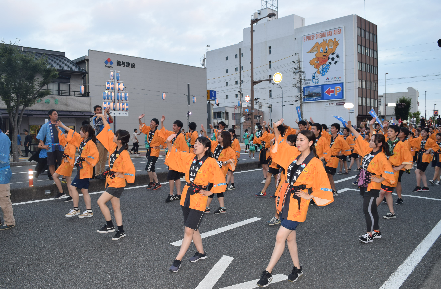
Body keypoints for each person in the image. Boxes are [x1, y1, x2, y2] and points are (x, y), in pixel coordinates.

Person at [257, 119, 333, 287]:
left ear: (310, 143)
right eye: (297, 139)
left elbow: (324, 185)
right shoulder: (293, 154)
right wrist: (276, 128)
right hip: (286, 199)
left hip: (298, 205)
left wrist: (310, 195)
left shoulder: (315, 163)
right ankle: (297, 268)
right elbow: (281, 145)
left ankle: (267, 272)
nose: (298, 142)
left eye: (302, 140)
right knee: (290, 239)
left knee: (280, 236)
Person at [165, 134, 227, 273]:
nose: (195, 145)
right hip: (187, 196)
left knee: (188, 230)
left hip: (199, 199)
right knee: (193, 228)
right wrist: (169, 142)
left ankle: (177, 260)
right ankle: (201, 253)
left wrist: (209, 192)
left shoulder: (211, 162)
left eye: (199, 144)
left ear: (205, 148)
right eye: (195, 143)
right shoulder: (189, 157)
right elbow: (175, 155)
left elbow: (220, 179)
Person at [347, 120, 395, 243]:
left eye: (373, 140)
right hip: (365, 181)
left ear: (379, 144)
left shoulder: (381, 156)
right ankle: (377, 231)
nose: (370, 141)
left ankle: (370, 234)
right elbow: (360, 138)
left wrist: (380, 178)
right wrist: (350, 128)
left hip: (372, 185)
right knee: (372, 208)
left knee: (367, 209)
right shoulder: (369, 151)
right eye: (371, 139)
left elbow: (389, 170)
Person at [95, 114, 135, 240]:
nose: (113, 136)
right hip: (112, 181)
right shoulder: (114, 148)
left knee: (100, 201)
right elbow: (108, 130)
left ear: (119, 140)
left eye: (115, 135)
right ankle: (121, 230)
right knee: (116, 208)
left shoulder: (124, 153)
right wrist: (103, 117)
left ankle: (109, 225)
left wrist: (123, 174)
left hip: (117, 183)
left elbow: (131, 169)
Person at [59, 123, 99, 218]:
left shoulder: (90, 143)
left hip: (85, 170)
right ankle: (88, 211)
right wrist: (62, 126)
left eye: (82, 131)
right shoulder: (82, 141)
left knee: (73, 187)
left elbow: (95, 156)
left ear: (87, 133)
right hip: (82, 169)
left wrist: (85, 159)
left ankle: (76, 209)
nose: (80, 132)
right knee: (84, 190)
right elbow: (72, 132)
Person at [376, 124, 412, 219]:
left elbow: (408, 157)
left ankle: (371, 209)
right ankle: (392, 212)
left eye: (391, 131)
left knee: (382, 192)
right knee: (387, 193)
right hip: (385, 170)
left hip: (393, 171)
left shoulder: (401, 144)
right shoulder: (387, 143)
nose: (389, 132)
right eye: (388, 131)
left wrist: (399, 167)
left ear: (396, 133)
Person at [203, 129, 236, 214]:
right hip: (213, 171)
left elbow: (233, 159)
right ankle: (221, 207)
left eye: (221, 136)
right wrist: (205, 132)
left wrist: (226, 162)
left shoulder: (229, 150)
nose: (218, 137)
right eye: (219, 135)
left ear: (225, 138)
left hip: (220, 172)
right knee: (217, 189)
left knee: (212, 188)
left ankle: (207, 207)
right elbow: (208, 141)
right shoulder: (216, 145)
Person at [158, 116, 188, 202]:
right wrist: (162, 122)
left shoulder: (181, 137)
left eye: (174, 126)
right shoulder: (173, 134)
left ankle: (171, 194)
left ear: (179, 127)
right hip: (173, 159)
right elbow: (164, 132)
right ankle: (179, 194)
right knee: (177, 177)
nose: (173, 127)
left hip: (176, 160)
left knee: (170, 177)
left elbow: (185, 150)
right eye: (173, 125)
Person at [36, 109, 66, 198]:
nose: (56, 115)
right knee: (51, 164)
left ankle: (63, 177)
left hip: (60, 146)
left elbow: (65, 133)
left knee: (62, 163)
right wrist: (43, 145)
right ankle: (55, 178)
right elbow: (40, 136)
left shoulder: (60, 124)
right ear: (50, 116)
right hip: (50, 147)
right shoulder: (45, 126)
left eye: (57, 113)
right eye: (54, 114)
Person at [51, 125, 77, 203]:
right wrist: (57, 128)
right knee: (68, 180)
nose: (65, 134)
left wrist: (67, 159)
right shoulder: (68, 142)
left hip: (67, 163)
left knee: (55, 176)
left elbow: (72, 154)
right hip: (67, 163)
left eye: (67, 133)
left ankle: (61, 192)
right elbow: (61, 135)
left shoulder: (71, 144)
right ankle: (71, 195)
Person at [325, 123, 351, 196]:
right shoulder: (329, 137)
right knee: (328, 176)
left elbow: (347, 149)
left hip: (334, 159)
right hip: (327, 158)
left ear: (337, 130)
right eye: (331, 128)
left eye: (333, 128)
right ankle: (333, 190)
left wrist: (341, 154)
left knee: (328, 175)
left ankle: (332, 190)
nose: (331, 129)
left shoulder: (340, 138)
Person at [139, 114, 164, 190]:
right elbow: (142, 125)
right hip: (149, 151)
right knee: (152, 168)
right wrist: (139, 119)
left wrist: (160, 147)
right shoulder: (148, 130)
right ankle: (154, 182)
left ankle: (155, 182)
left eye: (152, 122)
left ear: (156, 125)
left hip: (154, 152)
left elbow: (163, 140)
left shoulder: (158, 132)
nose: (151, 123)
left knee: (148, 168)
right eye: (151, 122)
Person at [409, 127, 438, 192]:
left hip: (426, 157)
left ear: (427, 133)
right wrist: (410, 136)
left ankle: (418, 186)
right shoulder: (420, 139)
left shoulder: (430, 140)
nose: (422, 133)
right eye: (422, 131)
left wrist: (430, 149)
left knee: (417, 171)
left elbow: (436, 146)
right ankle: (425, 187)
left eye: (424, 132)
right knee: (422, 172)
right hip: (420, 156)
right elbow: (411, 142)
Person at [0, 117, 15, 230]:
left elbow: (3, 158)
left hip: (2, 172)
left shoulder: (3, 138)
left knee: (4, 197)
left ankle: (9, 221)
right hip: (2, 171)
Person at [92, 105, 113, 179]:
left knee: (104, 158)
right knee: (99, 158)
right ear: (95, 111)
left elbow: (111, 120)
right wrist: (104, 113)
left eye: (100, 110)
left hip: (106, 140)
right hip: (99, 141)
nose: (99, 111)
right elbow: (104, 121)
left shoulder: (102, 116)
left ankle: (103, 172)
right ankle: (97, 174)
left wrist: (108, 113)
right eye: (97, 110)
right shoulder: (95, 118)